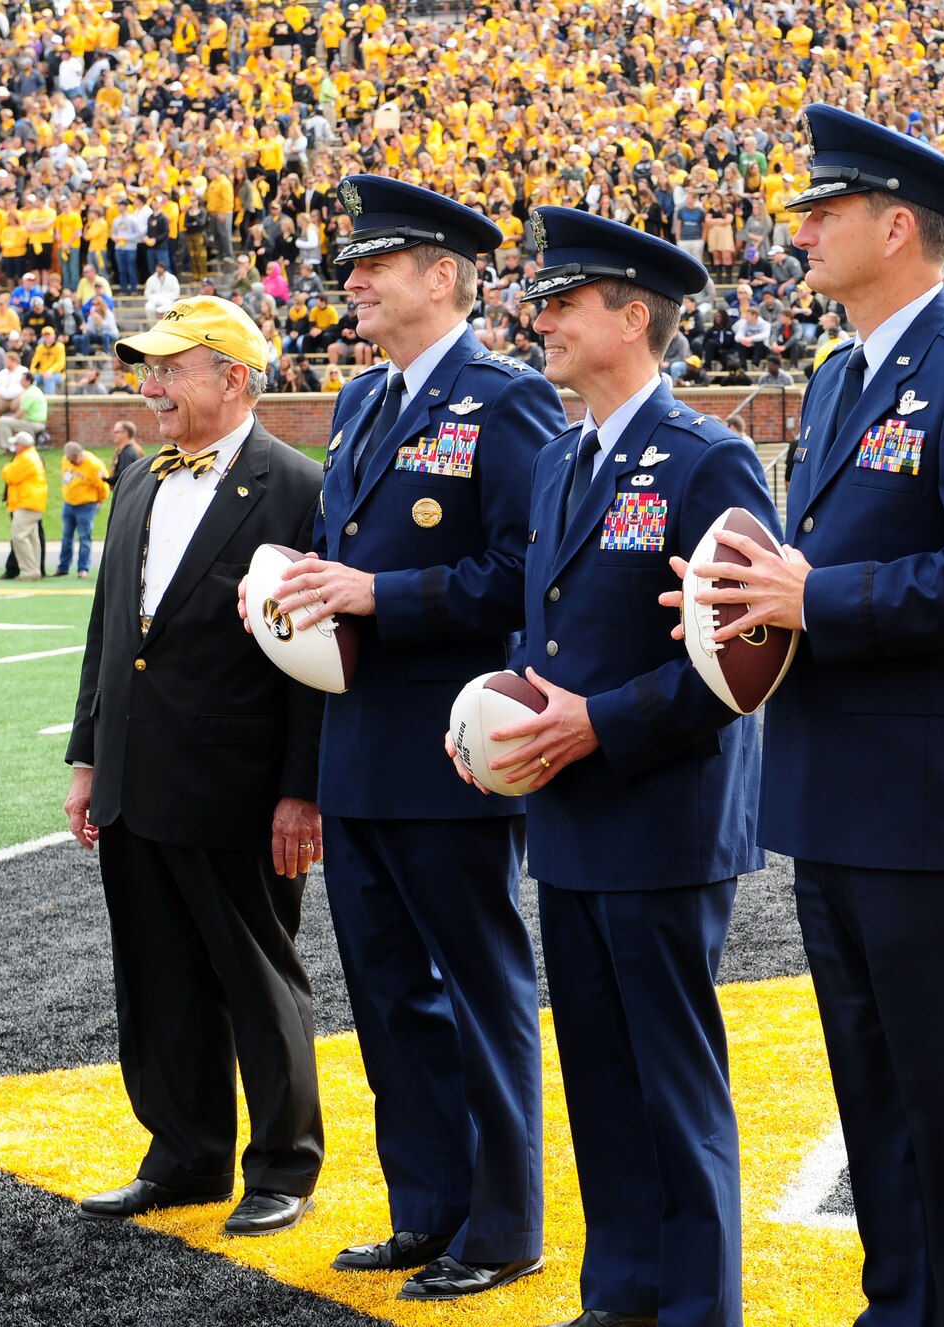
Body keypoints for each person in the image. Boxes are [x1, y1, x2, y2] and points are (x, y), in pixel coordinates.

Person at [682, 105, 944, 1326]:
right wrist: (741, 598)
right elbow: (824, 559)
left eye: (822, 212)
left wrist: (813, 592)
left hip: (927, 802)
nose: (798, 232)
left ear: (896, 226)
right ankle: (899, 1305)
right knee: (874, 1090)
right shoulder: (843, 372)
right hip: (836, 789)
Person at [457, 205, 774, 1327]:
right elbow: (546, 636)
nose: (537, 318)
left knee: (669, 1082)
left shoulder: (706, 457)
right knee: (597, 1075)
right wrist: (491, 720)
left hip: (661, 810)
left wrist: (600, 724)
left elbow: (745, 661)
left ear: (631, 317)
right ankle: (620, 1295)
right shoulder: (557, 458)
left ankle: (693, 1307)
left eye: (562, 302)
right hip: (573, 810)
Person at [249, 177, 563, 1299]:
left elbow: (530, 572)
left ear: (443, 277)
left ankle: (504, 1222)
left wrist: (382, 595)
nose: (353, 281)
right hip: (360, 750)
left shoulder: (506, 399)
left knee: (477, 988)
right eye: (350, 265)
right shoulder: (361, 403)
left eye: (375, 264)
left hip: (450, 752)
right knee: (386, 996)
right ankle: (426, 1209)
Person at [64, 295, 326, 1238]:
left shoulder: (300, 487)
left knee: (258, 981)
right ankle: (183, 1157)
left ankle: (285, 1166)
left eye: (171, 368)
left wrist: (302, 788)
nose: (151, 385)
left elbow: (315, 658)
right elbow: (109, 632)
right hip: (138, 778)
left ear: (235, 376)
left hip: (239, 790)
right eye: (150, 368)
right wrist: (90, 756)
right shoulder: (135, 476)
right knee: (157, 980)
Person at [58, 441, 110, 579]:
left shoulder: (94, 465)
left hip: (86, 505)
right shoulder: (66, 460)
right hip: (69, 503)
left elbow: (103, 485)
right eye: (69, 460)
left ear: (80, 455)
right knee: (66, 536)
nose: (71, 463)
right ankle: (63, 567)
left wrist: (100, 500)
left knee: (84, 537)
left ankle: (83, 568)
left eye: (74, 460)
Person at [1, 430, 47, 580]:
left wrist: (7, 467)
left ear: (22, 445)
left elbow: (10, 475)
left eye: (16, 443)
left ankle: (29, 571)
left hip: (27, 502)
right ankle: (34, 569)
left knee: (18, 536)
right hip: (30, 501)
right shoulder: (30, 456)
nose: (14, 447)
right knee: (32, 537)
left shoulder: (26, 458)